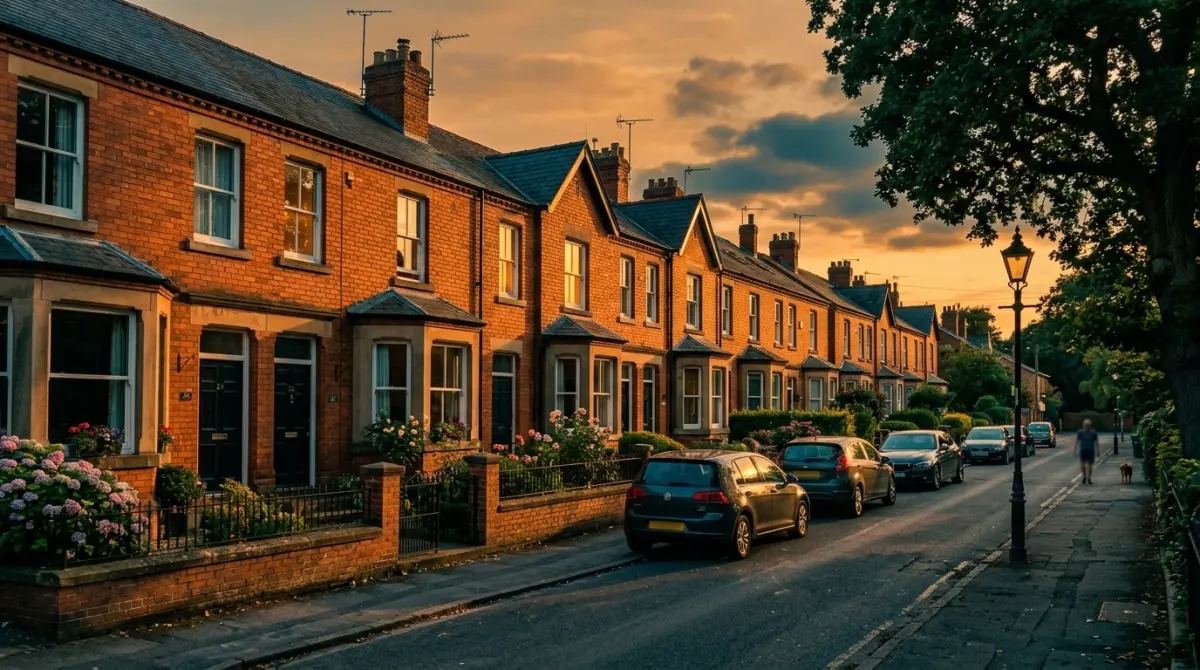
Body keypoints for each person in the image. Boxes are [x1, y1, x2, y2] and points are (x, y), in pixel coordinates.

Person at [1076, 419, 1100, 484]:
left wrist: (1098, 451)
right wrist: (1075, 450)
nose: (1087, 426)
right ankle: (1084, 477)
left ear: (1090, 425)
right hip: (1083, 451)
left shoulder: (1093, 432)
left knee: (1090, 466)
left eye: (1088, 425)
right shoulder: (1080, 432)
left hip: (1090, 451)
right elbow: (1077, 441)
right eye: (1086, 425)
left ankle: (1089, 478)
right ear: (1083, 425)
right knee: (1082, 465)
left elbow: (1096, 442)